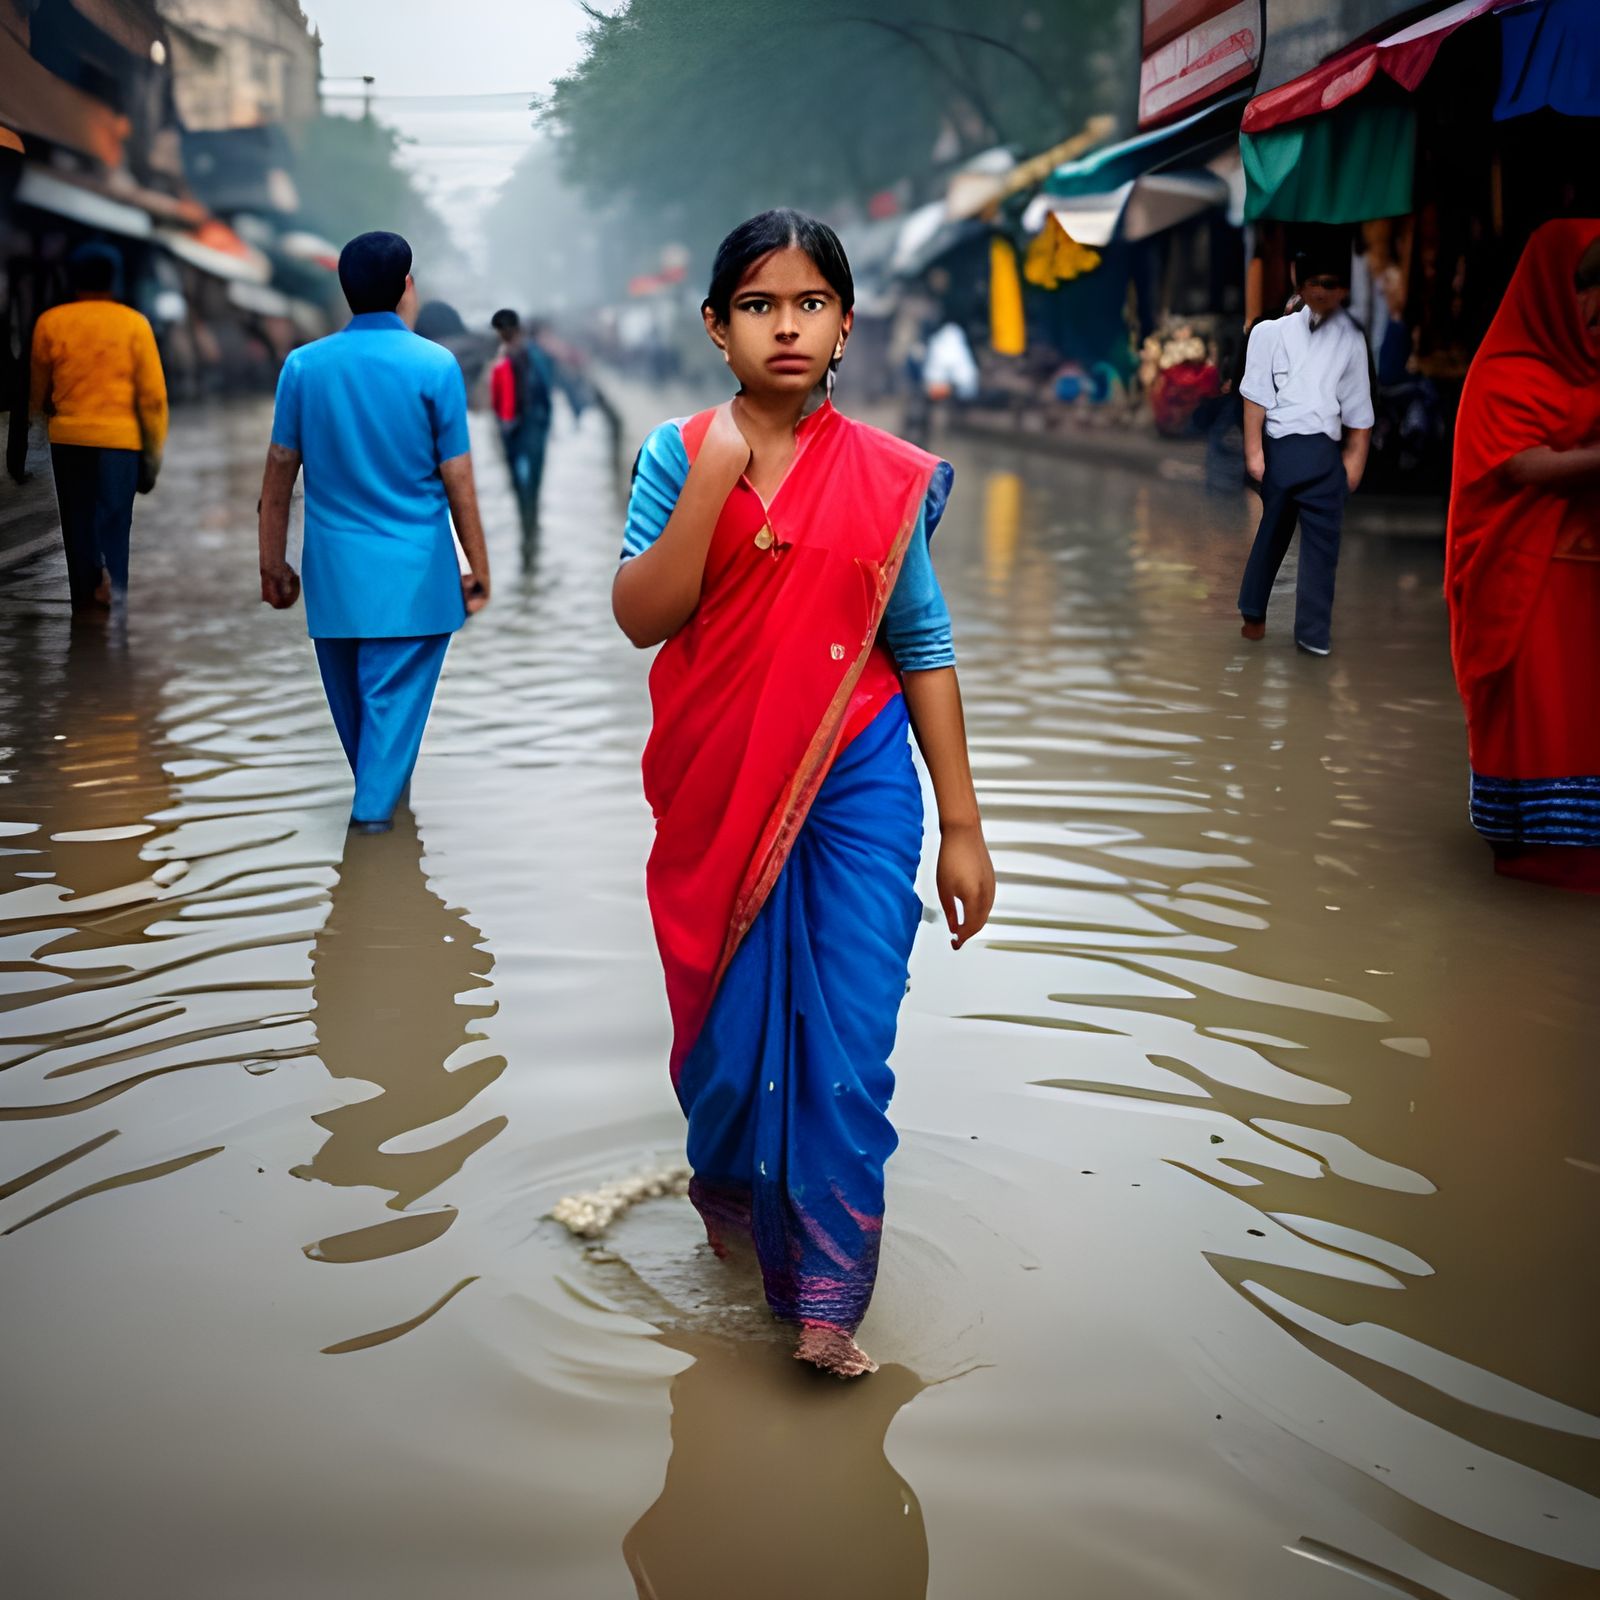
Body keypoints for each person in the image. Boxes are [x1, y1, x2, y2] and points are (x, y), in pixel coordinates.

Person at [612, 210, 996, 1379]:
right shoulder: (680, 454)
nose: (787, 325)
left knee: (845, 1043)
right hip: (722, 787)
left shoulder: (883, 476)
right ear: (716, 327)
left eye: (810, 303)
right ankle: (735, 1219)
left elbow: (919, 642)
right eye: (760, 304)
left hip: (860, 781)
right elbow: (643, 615)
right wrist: (715, 479)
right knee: (730, 1053)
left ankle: (827, 1300)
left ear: (843, 326)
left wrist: (966, 826)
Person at [257, 231, 491, 835]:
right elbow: (458, 476)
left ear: (344, 290)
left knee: (369, 744)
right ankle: (369, 864)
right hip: (415, 585)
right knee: (382, 760)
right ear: (408, 286)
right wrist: (479, 564)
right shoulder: (435, 366)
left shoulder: (304, 366)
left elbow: (280, 469)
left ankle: (389, 846)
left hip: (334, 587)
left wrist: (271, 562)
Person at [1445, 218, 1600, 893]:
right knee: (1546, 714)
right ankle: (1538, 848)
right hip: (1528, 584)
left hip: (1584, 585)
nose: (1596, 304)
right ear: (1553, 289)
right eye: (1586, 285)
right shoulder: (1505, 371)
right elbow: (1520, 468)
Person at [1236, 246, 1375, 655]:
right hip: (1281, 446)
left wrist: (1354, 463)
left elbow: (1358, 406)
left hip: (1325, 451)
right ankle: (1253, 610)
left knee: (1323, 541)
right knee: (1274, 528)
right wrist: (1255, 456)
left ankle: (1313, 638)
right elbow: (1254, 397)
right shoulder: (1269, 334)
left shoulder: (1350, 340)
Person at [29, 242, 167, 613]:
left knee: (77, 531)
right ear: (114, 280)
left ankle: (85, 608)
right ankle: (115, 605)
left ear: (73, 279)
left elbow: (37, 397)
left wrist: (28, 449)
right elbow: (153, 401)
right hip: (121, 445)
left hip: (68, 441)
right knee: (115, 528)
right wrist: (151, 461)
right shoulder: (135, 324)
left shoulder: (50, 323)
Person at [489, 308, 557, 522]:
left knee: (531, 480)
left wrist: (544, 423)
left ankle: (529, 522)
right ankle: (527, 521)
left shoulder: (531, 355)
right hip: (516, 427)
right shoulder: (504, 357)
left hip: (530, 425)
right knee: (521, 481)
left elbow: (545, 390)